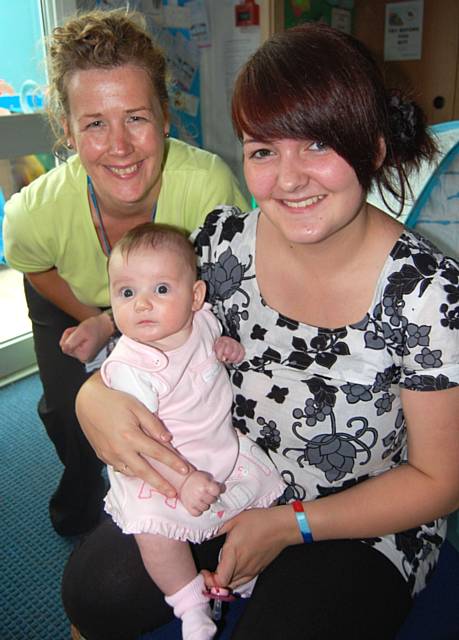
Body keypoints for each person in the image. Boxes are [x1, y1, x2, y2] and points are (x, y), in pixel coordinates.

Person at [64, 22, 459, 640]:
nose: (290, 178)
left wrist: (289, 524)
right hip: (221, 475)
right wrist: (94, 399)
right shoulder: (222, 245)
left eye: (318, 146)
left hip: (355, 519)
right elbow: (147, 334)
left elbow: (440, 482)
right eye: (263, 150)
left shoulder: (428, 295)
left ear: (374, 148)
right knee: (97, 592)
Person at [2, 9, 248, 537]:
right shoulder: (33, 212)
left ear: (164, 117)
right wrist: (97, 319)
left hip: (174, 299)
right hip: (70, 293)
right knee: (72, 415)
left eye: (136, 117)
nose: (119, 147)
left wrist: (121, 325)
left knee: (191, 401)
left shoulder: (208, 190)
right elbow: (32, 265)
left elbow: (234, 291)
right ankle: (82, 511)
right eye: (95, 123)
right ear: (66, 131)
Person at [101, 222, 283, 640]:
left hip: (218, 448)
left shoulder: (201, 321)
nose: (142, 304)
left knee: (255, 502)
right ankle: (189, 606)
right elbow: (140, 444)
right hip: (161, 467)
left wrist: (227, 349)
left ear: (196, 296)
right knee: (155, 534)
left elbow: (216, 343)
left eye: (160, 290)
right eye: (126, 293)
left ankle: (237, 573)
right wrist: (182, 482)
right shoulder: (133, 366)